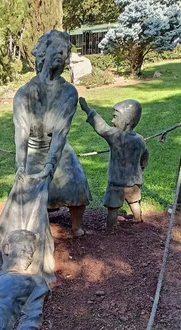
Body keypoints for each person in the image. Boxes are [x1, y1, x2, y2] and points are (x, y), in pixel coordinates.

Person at [13, 30, 91, 237]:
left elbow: (60, 132)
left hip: (59, 148)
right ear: (43, 52)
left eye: (64, 51)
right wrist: (20, 165)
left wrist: (50, 164)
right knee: (28, 188)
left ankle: (76, 226)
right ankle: (36, 222)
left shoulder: (69, 93)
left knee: (76, 182)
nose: (60, 53)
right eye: (55, 48)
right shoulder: (24, 93)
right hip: (33, 148)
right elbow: (21, 132)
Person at [79, 98, 149, 230]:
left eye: (115, 117)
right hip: (133, 182)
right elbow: (145, 157)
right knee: (134, 201)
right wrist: (141, 169)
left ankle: (110, 228)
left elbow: (101, 127)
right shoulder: (140, 140)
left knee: (113, 208)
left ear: (127, 120)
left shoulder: (116, 136)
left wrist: (88, 110)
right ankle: (137, 218)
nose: (112, 121)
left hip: (116, 183)